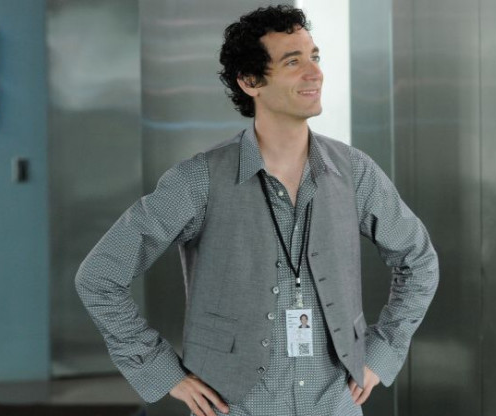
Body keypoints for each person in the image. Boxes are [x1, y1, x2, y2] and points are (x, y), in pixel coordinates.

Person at [75, 5, 438, 416]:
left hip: (335, 404)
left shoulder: (354, 171)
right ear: (250, 81)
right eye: (293, 62)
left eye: (315, 57)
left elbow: (419, 259)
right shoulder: (199, 180)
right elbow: (99, 276)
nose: (315, 73)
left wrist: (383, 350)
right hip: (236, 406)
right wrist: (162, 371)